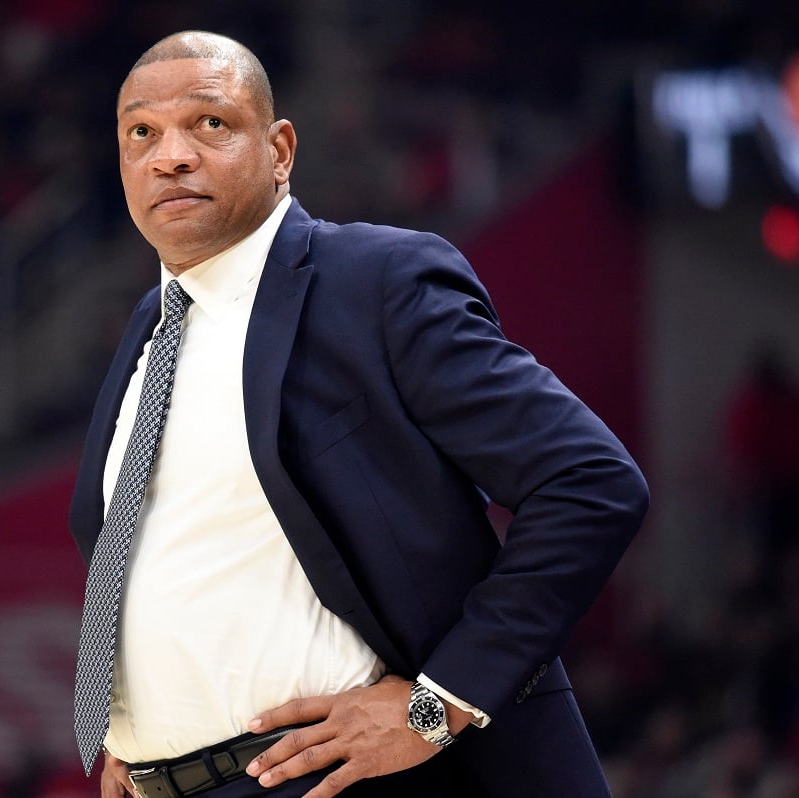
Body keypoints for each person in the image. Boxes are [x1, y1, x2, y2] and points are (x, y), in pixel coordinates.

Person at [69, 30, 649, 798]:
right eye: (141, 132)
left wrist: (433, 707)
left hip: (347, 778)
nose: (169, 155)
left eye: (209, 124)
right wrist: (139, 738)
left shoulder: (373, 281)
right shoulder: (150, 324)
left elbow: (590, 480)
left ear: (279, 150)